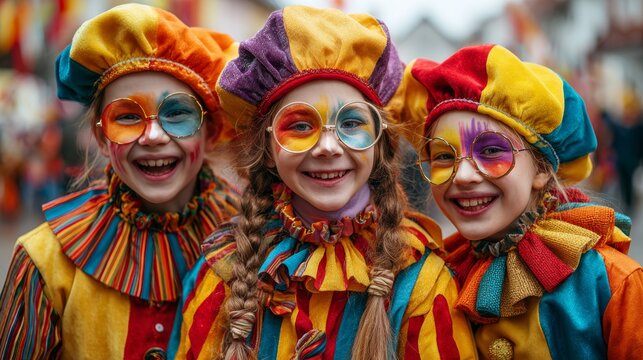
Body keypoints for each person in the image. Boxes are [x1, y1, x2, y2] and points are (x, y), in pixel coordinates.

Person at [169, 6, 476, 360]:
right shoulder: (222, 274)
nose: (328, 147)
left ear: (379, 145)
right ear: (267, 149)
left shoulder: (421, 284)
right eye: (299, 125)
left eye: (351, 123)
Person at [0, 4, 240, 358]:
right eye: (127, 116)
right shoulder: (43, 261)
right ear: (100, 137)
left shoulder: (251, 241)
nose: (154, 135)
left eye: (177, 113)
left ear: (209, 132)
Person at [401, 44, 643, 359]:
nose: (462, 175)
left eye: (490, 151)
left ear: (541, 170)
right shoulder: (438, 278)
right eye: (444, 156)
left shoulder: (613, 283)